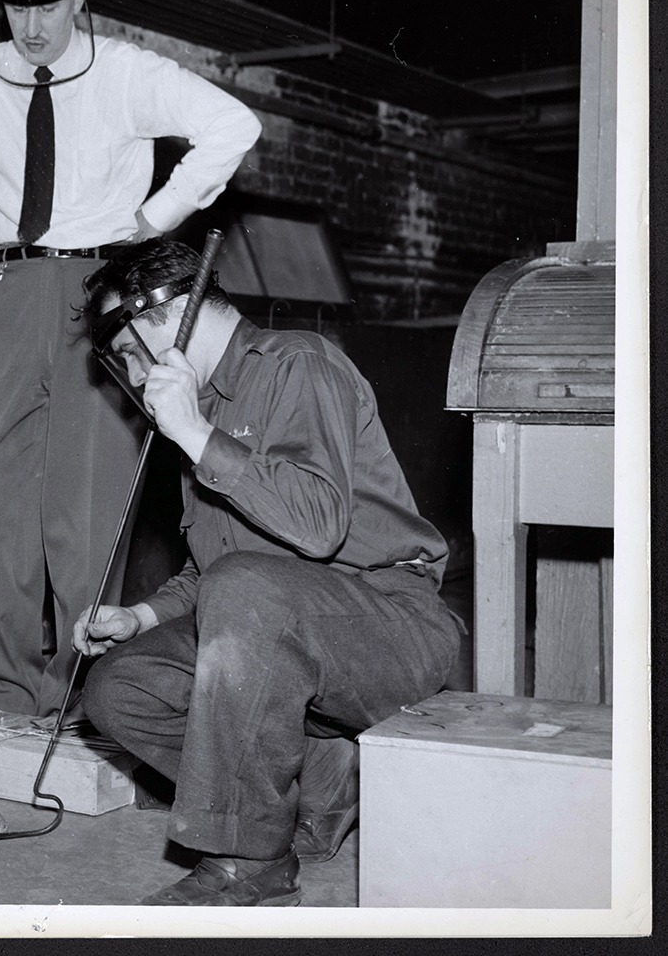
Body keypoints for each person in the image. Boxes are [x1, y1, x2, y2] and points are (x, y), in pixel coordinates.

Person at [0, 0, 262, 718]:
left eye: (49, 6)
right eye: (16, 6)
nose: (34, 27)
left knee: (83, 506)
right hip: (12, 287)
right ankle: (7, 690)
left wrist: (157, 217)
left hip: (103, 287)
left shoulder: (125, 74)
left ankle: (81, 695)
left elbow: (234, 126)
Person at [73, 239, 463, 906]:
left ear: (164, 317)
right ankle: (309, 785)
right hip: (280, 629)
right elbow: (215, 573)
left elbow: (317, 525)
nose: (135, 380)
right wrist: (140, 617)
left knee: (246, 588)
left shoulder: (298, 364)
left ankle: (249, 856)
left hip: (392, 628)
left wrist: (195, 435)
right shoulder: (198, 411)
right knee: (119, 690)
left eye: (132, 354)